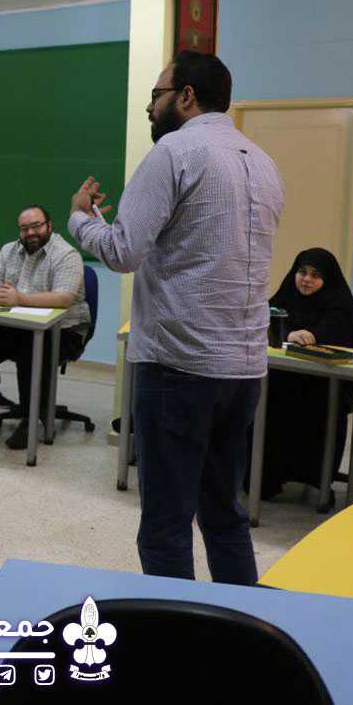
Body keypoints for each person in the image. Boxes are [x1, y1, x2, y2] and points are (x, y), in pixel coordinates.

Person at [68, 50, 284, 585]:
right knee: (224, 514)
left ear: (186, 95)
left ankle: (177, 634)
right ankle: (240, 623)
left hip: (178, 367)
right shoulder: (263, 162)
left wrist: (79, 218)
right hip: (243, 370)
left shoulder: (173, 152)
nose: (150, 107)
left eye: (156, 95)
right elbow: (195, 245)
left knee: (165, 524)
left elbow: (123, 252)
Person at [0, 205, 90, 449]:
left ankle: (30, 423)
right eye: (24, 229)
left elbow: (64, 298)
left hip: (65, 331)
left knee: (31, 351)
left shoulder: (67, 254)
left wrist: (19, 299)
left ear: (49, 226)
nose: (30, 233)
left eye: (36, 226)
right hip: (21, 326)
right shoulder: (9, 250)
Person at [258, 248, 353, 500]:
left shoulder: (340, 305)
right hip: (282, 379)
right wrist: (288, 334)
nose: (307, 279)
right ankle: (265, 478)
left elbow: (336, 333)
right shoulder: (285, 297)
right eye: (302, 272)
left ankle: (317, 479)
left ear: (327, 279)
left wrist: (312, 335)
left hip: (323, 384)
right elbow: (262, 322)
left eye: (315, 275)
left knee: (312, 404)